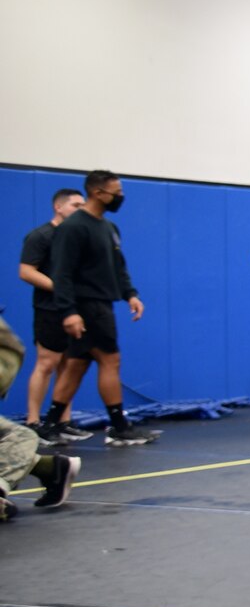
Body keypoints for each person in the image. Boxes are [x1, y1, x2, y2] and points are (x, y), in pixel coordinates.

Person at [43, 171, 157, 447]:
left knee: (76, 365)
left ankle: (49, 425)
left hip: (101, 302)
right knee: (110, 361)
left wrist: (131, 294)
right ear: (97, 192)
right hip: (87, 305)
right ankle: (119, 426)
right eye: (116, 192)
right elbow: (62, 273)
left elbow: (118, 267)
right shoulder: (74, 227)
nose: (120, 197)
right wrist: (69, 311)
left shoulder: (108, 228)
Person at [17, 187, 89, 441]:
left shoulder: (77, 238)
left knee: (69, 367)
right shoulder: (40, 236)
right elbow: (26, 271)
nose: (81, 210)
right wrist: (59, 288)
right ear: (59, 207)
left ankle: (62, 422)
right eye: (76, 206)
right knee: (47, 364)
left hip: (75, 311)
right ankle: (34, 422)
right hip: (49, 310)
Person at [0, 314, 79, 523]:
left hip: (6, 351)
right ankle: (51, 468)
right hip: (8, 351)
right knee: (20, 436)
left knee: (20, 436)